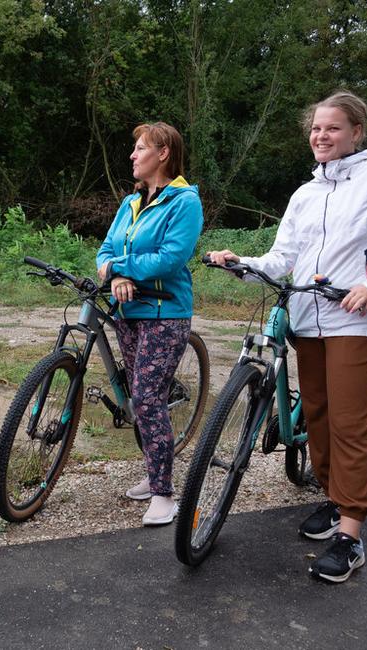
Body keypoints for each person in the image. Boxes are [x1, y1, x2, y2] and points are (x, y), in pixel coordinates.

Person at [207, 91, 367, 582]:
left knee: (348, 423)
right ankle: (336, 501)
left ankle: (351, 535)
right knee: (318, 415)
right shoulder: (306, 193)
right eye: (316, 128)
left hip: (357, 322)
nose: (321, 135)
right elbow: (281, 258)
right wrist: (241, 264)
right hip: (307, 321)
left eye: (332, 128)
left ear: (357, 132)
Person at [97, 122, 203, 526]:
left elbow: (169, 258)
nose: (132, 155)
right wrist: (117, 277)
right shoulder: (130, 202)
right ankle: (153, 470)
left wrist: (119, 269)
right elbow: (105, 250)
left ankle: (164, 493)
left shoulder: (184, 202)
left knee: (145, 396)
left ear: (162, 154)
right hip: (129, 312)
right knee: (138, 396)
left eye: (140, 148)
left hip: (166, 313)